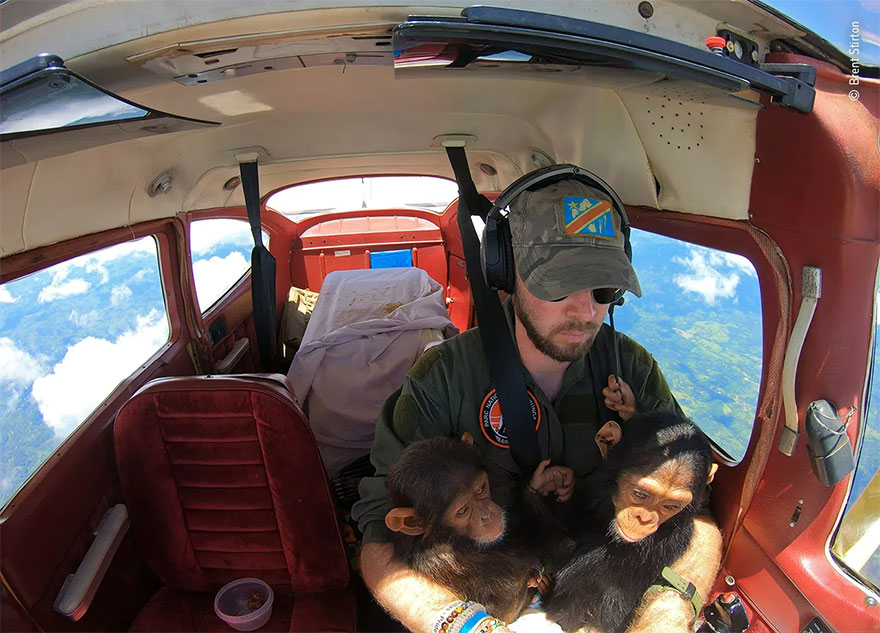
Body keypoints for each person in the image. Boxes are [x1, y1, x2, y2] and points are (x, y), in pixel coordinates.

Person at [351, 172, 722, 633]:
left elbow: (694, 511)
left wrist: (668, 612)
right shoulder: (442, 379)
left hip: (596, 591)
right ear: (506, 272)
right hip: (476, 590)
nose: (585, 312)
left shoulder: (634, 370)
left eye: (603, 291)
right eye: (559, 286)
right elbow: (381, 531)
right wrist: (455, 622)